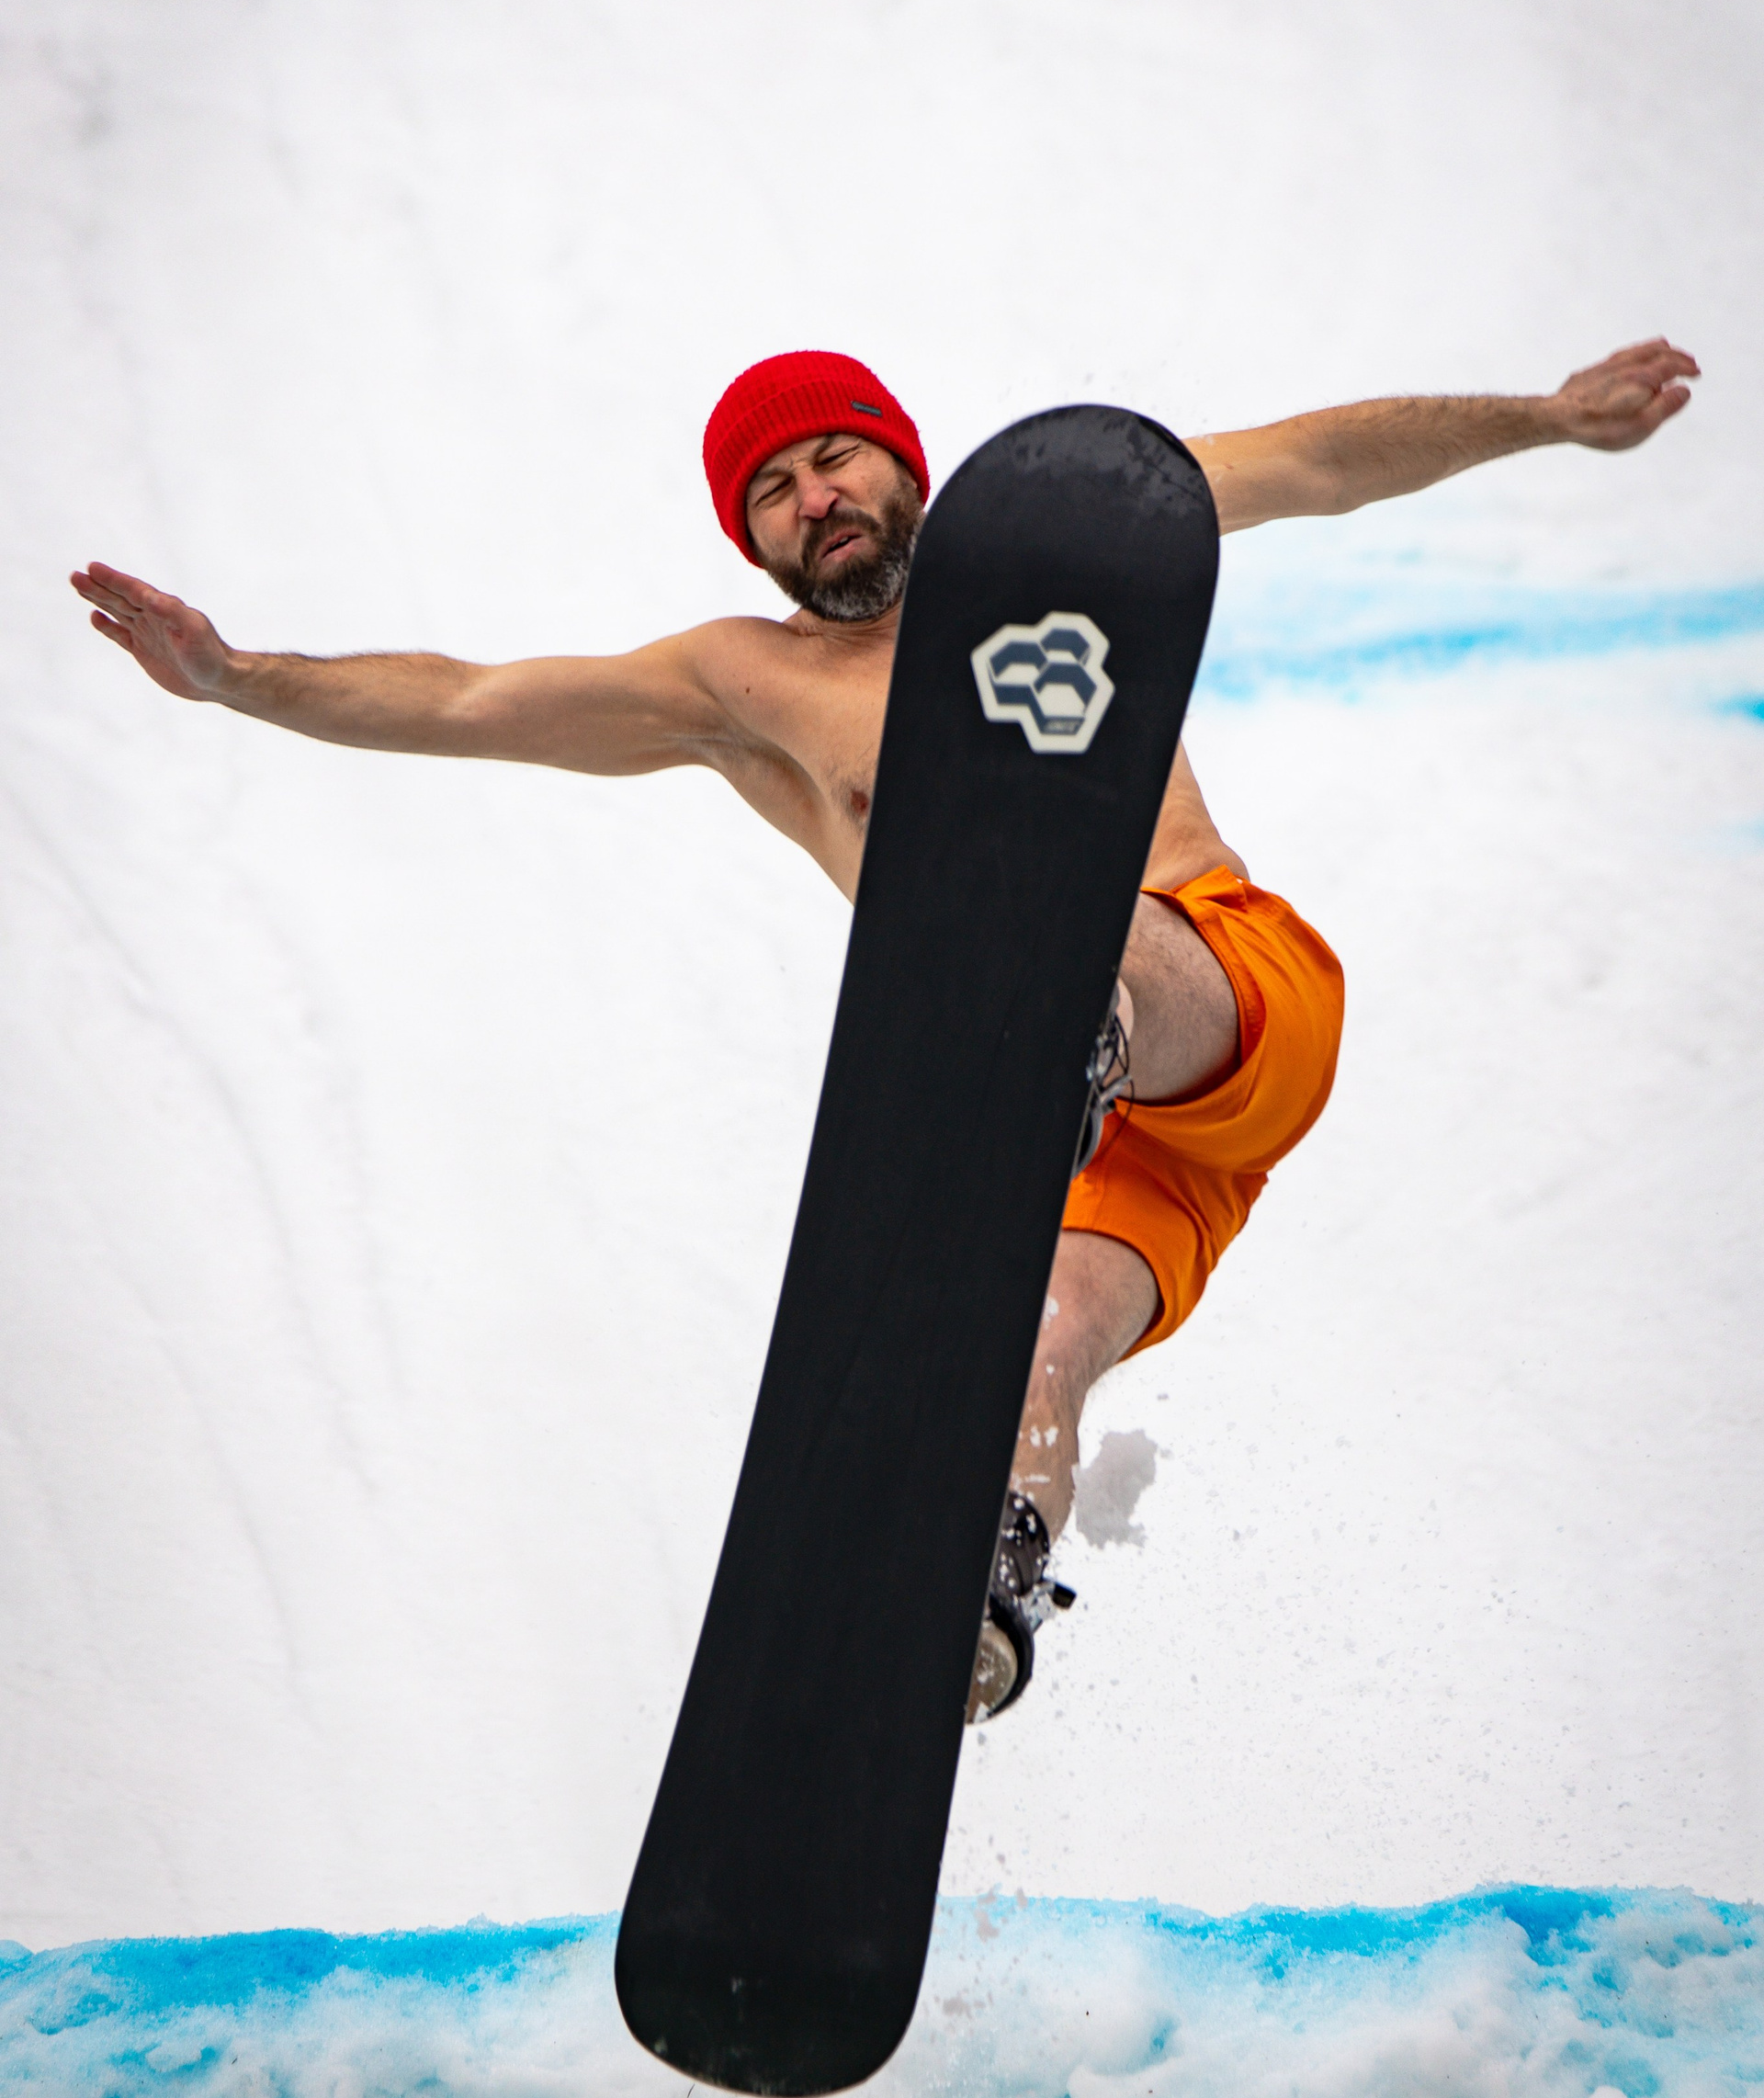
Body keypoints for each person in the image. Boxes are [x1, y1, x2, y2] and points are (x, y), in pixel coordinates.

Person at [71, 336, 1698, 1717]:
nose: (815, 497)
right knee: (1038, 1346)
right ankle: (985, 1603)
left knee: (1045, 907)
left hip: (1227, 995)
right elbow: (471, 698)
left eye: (835, 457)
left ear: (906, 466)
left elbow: (1315, 461)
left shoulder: (1068, 546)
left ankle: (1064, 1017)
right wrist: (242, 679)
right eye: (773, 490)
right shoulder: (742, 690)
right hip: (1123, 1155)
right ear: (754, 542)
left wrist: (1547, 420)